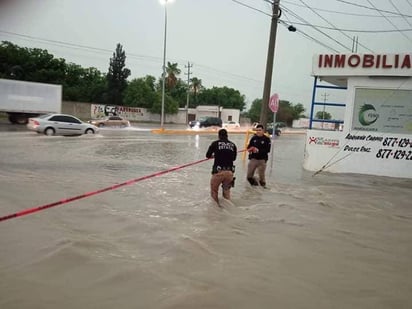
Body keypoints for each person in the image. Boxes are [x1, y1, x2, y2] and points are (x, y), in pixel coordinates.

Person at [206, 128, 237, 204]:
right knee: (226, 192)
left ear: (219, 136)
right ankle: (228, 208)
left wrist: (214, 155)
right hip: (229, 173)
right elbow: (233, 158)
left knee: (214, 192)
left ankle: (216, 210)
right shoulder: (233, 145)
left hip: (218, 172)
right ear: (227, 135)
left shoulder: (215, 143)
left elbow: (207, 155)